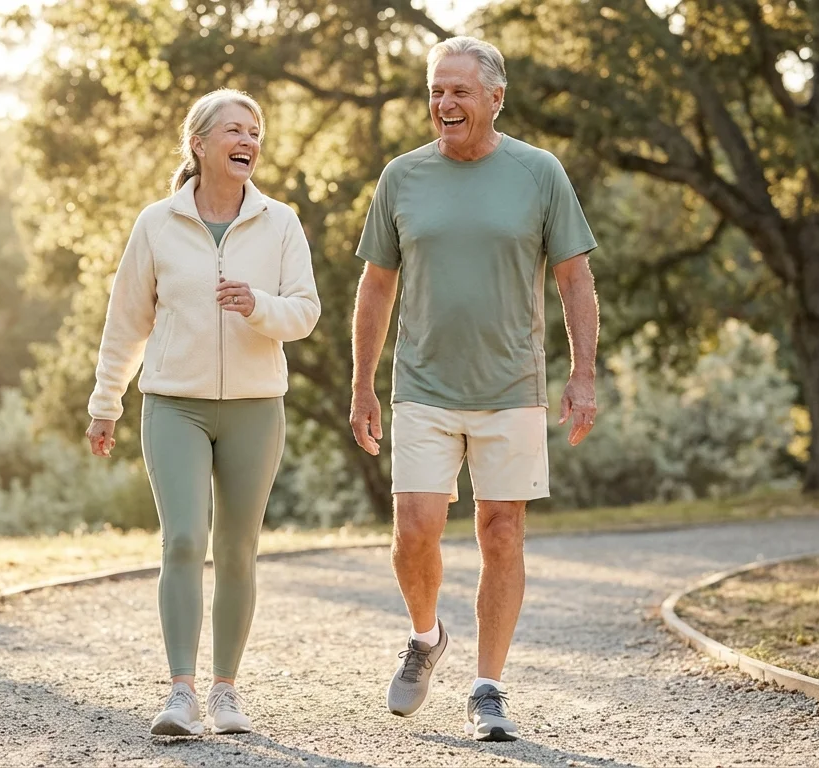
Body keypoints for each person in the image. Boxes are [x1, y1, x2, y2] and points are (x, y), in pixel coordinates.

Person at [349, 36, 600, 742]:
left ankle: (488, 689)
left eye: (459, 90)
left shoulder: (539, 173)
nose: (444, 102)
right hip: (422, 386)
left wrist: (582, 375)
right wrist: (361, 385)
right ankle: (426, 638)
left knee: (502, 533)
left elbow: (574, 278)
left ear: (495, 96)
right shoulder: (401, 177)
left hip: (513, 387)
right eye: (436, 90)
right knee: (414, 533)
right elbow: (376, 285)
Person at [85, 88, 321, 737]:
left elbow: (305, 311)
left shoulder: (279, 223)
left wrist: (258, 306)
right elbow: (125, 323)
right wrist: (105, 402)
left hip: (254, 409)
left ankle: (225, 693)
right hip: (174, 406)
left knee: (238, 549)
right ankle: (181, 693)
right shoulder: (156, 224)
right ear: (200, 143)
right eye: (235, 131)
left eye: (255, 132)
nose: (248, 141)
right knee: (185, 539)